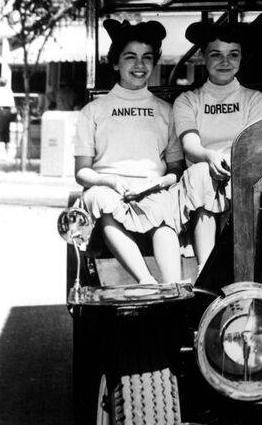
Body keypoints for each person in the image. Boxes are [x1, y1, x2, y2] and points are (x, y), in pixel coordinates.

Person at [74, 20, 183, 284]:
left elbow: (175, 169)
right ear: (115, 63)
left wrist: (158, 184)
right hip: (106, 187)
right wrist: (110, 181)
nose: (139, 65)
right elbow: (82, 172)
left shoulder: (166, 111)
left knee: (163, 211)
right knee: (105, 204)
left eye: (147, 57)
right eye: (130, 57)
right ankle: (147, 282)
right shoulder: (93, 111)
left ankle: (174, 288)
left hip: (152, 188)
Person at [174, 21, 262, 272]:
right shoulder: (188, 100)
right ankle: (205, 269)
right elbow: (190, 144)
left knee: (239, 179)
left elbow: (255, 145)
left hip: (241, 167)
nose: (225, 62)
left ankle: (232, 267)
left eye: (233, 55)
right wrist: (210, 157)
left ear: (241, 57)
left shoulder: (254, 99)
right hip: (203, 171)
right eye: (216, 54)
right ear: (202, 56)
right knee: (201, 174)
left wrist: (229, 162)